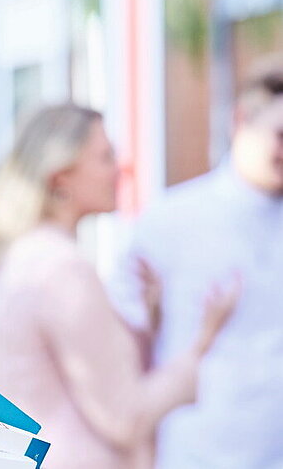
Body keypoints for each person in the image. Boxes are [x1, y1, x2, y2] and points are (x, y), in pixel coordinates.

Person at [0, 104, 239, 469]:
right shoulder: (62, 268)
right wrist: (199, 348)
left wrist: (149, 324)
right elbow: (125, 418)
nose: (120, 169)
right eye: (106, 156)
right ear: (61, 177)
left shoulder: (6, 260)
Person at [114, 56, 283, 468]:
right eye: (280, 134)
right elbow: (126, 344)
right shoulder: (170, 220)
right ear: (241, 120)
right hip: (196, 451)